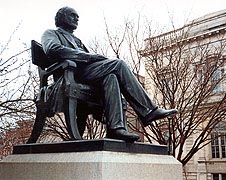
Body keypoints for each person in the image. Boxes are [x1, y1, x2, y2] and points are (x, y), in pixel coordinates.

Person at [41, 6, 177, 142]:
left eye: (77, 17)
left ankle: (116, 128)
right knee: (119, 64)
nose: (76, 18)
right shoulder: (51, 33)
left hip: (86, 75)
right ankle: (149, 111)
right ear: (61, 17)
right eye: (72, 15)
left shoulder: (77, 41)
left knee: (111, 77)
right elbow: (53, 49)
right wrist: (90, 57)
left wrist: (93, 58)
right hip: (70, 75)